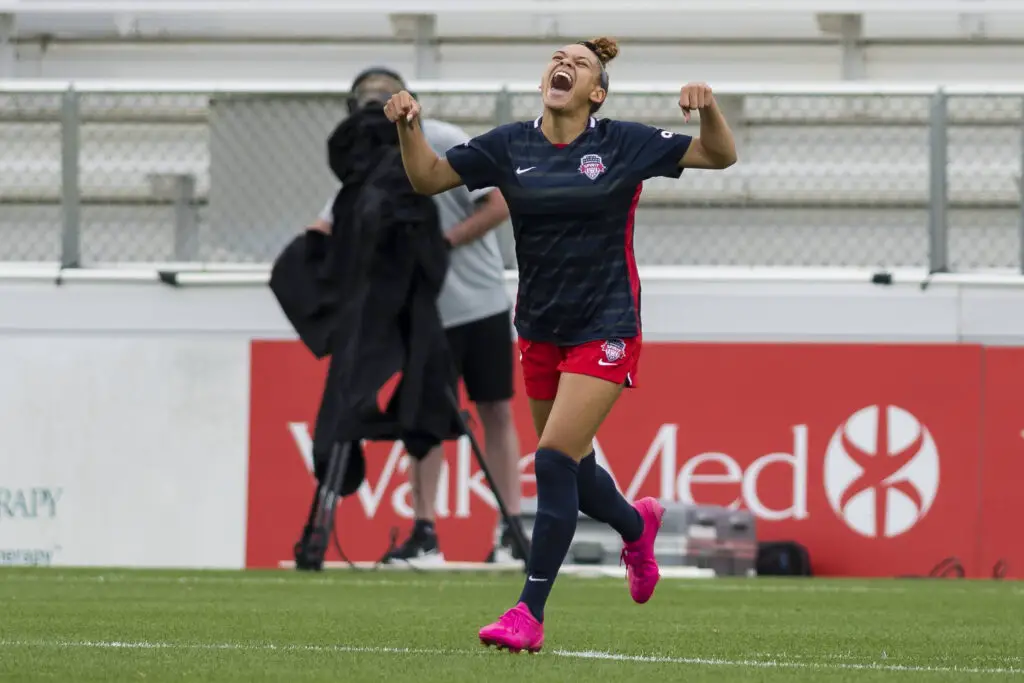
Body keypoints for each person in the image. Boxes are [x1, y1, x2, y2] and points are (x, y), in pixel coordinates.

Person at [383, 37, 737, 651]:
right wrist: (409, 127)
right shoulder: (510, 144)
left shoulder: (623, 142)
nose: (563, 66)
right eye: (557, 59)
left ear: (596, 91)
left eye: (579, 64)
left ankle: (529, 612)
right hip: (539, 327)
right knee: (575, 465)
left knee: (551, 461)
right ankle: (637, 523)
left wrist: (707, 108)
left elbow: (720, 155)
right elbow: (428, 178)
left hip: (607, 323)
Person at [312, 67, 529, 566]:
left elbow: (499, 203)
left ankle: (509, 530)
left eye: (385, 97)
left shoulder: (446, 140)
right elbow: (330, 220)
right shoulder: (366, 158)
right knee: (422, 417)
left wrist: (442, 243)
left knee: (496, 409)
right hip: (419, 316)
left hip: (477, 302)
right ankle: (425, 530)